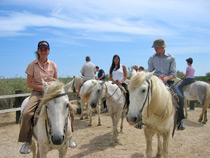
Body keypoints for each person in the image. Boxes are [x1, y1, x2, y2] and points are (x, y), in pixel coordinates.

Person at [18, 41, 75, 154]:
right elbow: (29, 84)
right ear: (38, 51)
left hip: (52, 94)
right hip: (37, 93)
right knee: (26, 114)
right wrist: (43, 87)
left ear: (48, 51)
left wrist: (54, 88)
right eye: (41, 49)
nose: (43, 51)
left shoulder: (53, 65)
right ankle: (27, 141)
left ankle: (70, 136)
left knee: (70, 110)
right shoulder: (31, 65)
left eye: (45, 49)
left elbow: (56, 81)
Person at [148, 39, 185, 130]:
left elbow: (173, 73)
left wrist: (166, 78)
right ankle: (141, 120)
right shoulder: (152, 58)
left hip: (168, 82)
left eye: (157, 47)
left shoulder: (171, 58)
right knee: (143, 95)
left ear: (163, 47)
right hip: (155, 82)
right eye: (155, 47)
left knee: (180, 97)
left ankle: (179, 121)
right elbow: (150, 72)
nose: (155, 49)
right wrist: (157, 77)